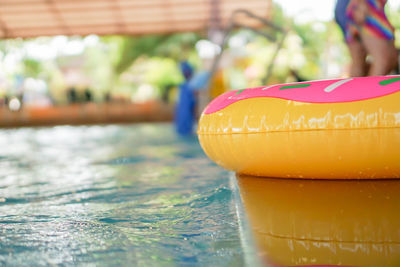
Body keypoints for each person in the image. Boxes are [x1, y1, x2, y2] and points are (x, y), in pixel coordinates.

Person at [335, 0, 398, 76]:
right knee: (383, 60)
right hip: (364, 6)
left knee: (359, 63)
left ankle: (359, 87)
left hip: (356, 6)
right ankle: (371, 87)